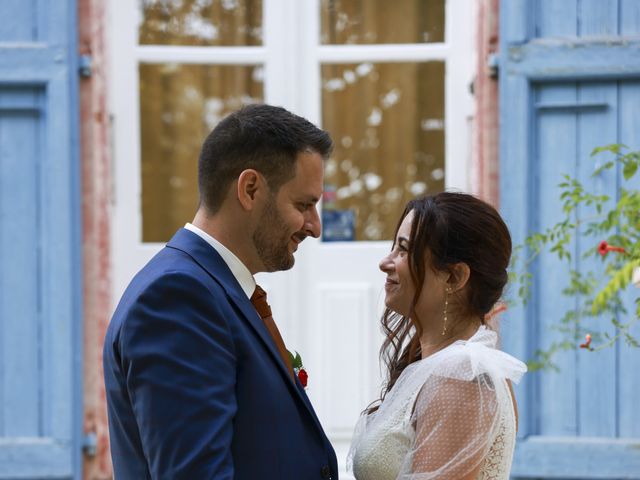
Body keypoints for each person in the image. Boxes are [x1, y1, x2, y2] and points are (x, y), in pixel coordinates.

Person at [103, 104, 338, 479]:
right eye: (304, 204)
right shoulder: (177, 298)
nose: (314, 226)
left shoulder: (213, 289)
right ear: (250, 189)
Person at [348, 192, 527, 480]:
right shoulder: (441, 367)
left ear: (454, 277)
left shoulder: (461, 376)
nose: (386, 262)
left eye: (404, 250)